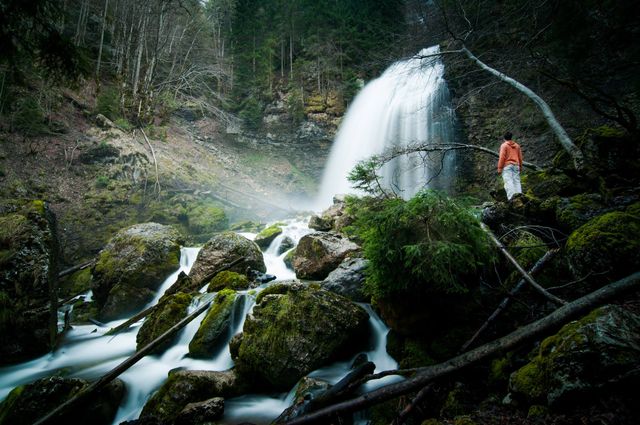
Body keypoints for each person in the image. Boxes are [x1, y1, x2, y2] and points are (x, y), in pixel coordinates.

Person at [497, 132, 523, 200]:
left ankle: (512, 199)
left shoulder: (504, 145)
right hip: (516, 165)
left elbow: (502, 157)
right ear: (511, 137)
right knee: (517, 181)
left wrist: (499, 168)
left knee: (509, 182)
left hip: (507, 166)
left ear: (504, 138)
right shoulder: (517, 146)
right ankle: (520, 197)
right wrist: (520, 166)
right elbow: (520, 157)